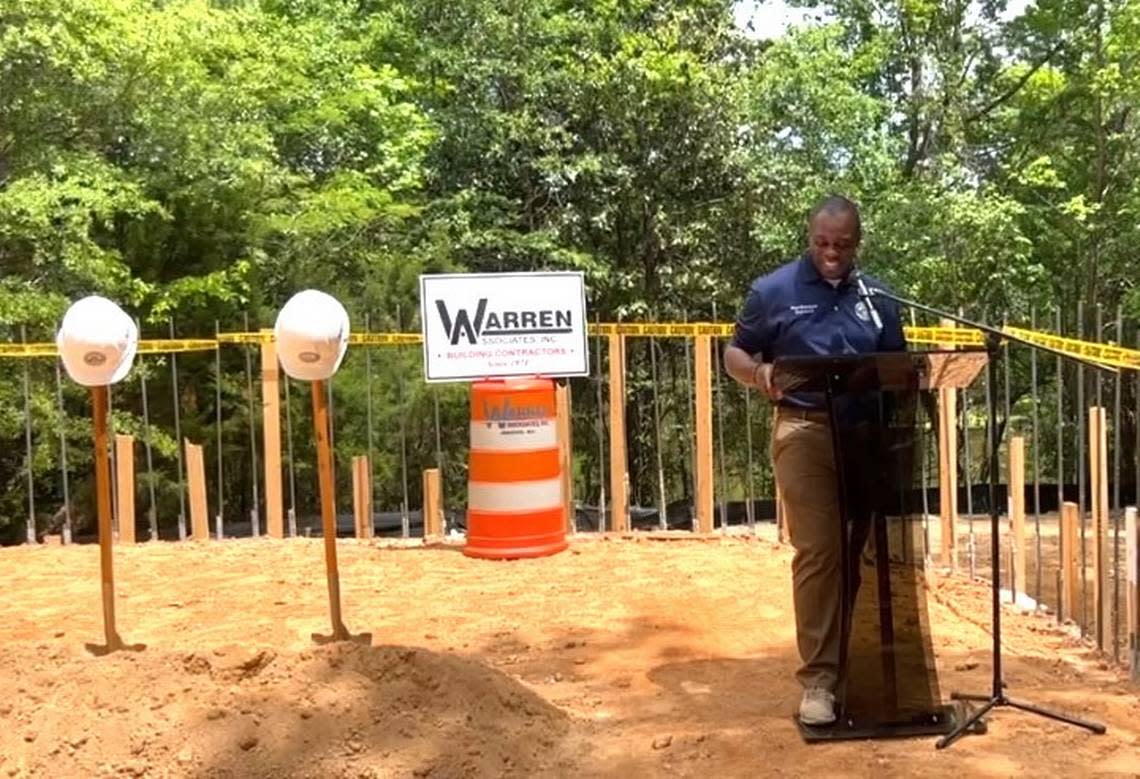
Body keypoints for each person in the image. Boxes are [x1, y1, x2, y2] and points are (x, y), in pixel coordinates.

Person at [722, 195, 906, 726]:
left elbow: (898, 363)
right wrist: (759, 376)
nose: (832, 254)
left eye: (843, 245)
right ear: (810, 236)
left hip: (864, 433)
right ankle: (820, 682)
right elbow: (736, 351)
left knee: (857, 553)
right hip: (804, 429)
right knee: (821, 550)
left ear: (857, 242)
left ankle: (859, 665)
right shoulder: (772, 290)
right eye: (823, 243)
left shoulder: (877, 297)